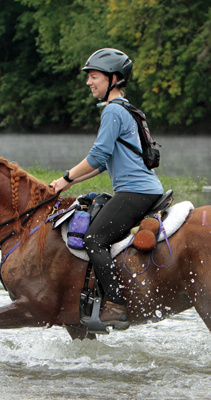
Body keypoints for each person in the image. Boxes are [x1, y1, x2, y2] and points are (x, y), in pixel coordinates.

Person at [50, 48, 164, 330]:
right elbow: (102, 165)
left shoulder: (113, 110)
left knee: (94, 239)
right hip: (142, 189)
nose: (89, 82)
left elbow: (98, 155)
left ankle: (115, 304)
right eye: (89, 77)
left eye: (94, 76)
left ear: (113, 78)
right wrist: (68, 184)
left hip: (136, 191)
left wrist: (66, 177)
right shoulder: (125, 108)